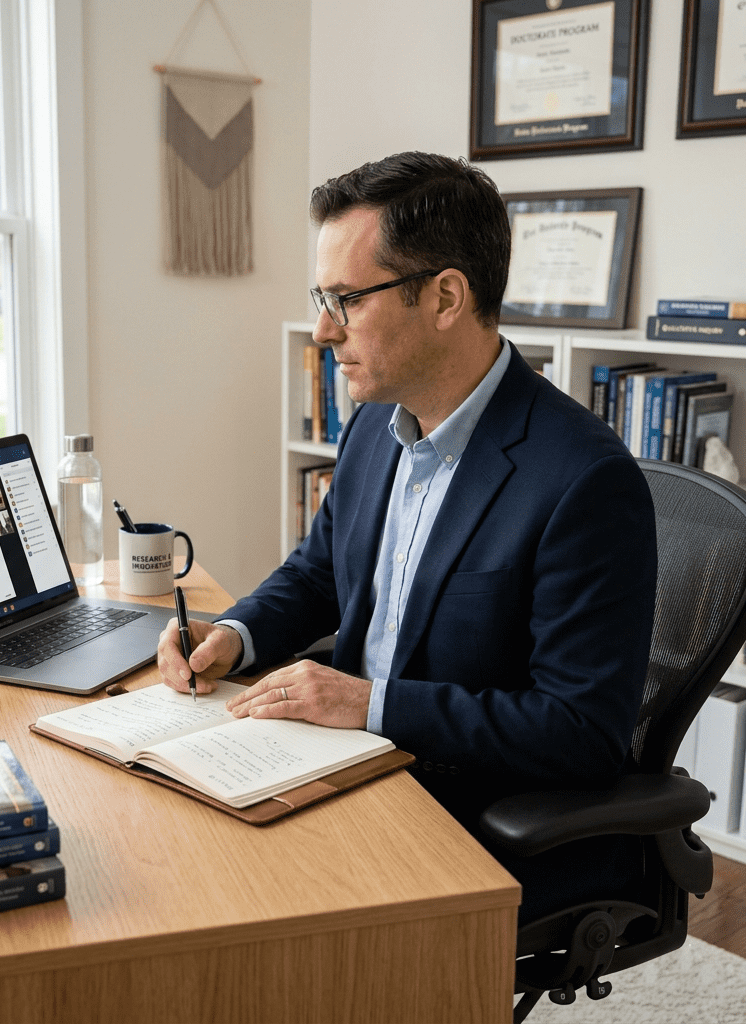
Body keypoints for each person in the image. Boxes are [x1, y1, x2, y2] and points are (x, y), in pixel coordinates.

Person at [157, 151, 657, 924]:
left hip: (466, 805)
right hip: (349, 764)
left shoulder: (584, 479)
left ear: (447, 297)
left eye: (347, 299)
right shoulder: (373, 428)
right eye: (322, 298)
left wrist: (372, 704)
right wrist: (234, 634)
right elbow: (319, 573)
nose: (323, 330)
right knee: (169, 843)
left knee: (230, 909)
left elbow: (581, 732)